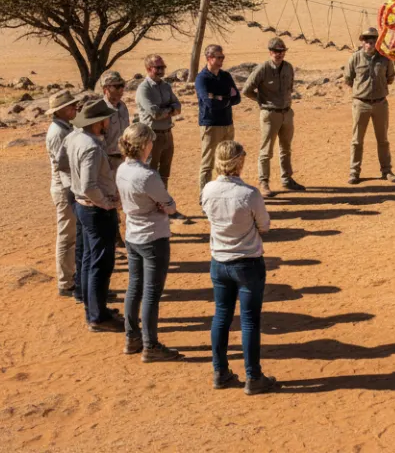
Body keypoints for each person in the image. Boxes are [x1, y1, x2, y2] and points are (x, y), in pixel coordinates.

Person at [201, 140, 277, 394]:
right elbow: (264, 226)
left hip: (219, 262)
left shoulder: (208, 189)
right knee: (249, 321)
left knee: (221, 316)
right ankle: (253, 377)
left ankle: (220, 372)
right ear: (239, 162)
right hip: (247, 263)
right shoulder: (249, 194)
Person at [115, 123, 183, 362]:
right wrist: (164, 206)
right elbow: (170, 205)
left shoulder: (122, 169)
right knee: (152, 294)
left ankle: (131, 337)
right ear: (144, 144)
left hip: (133, 234)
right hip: (153, 237)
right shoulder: (148, 175)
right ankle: (150, 345)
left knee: (134, 287)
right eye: (151, 141)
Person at [66, 98, 121, 332]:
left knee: (89, 261)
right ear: (99, 122)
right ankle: (97, 317)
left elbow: (62, 164)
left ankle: (94, 309)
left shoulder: (73, 138)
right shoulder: (91, 146)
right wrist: (105, 203)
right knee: (100, 263)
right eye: (107, 118)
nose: (109, 121)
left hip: (82, 206)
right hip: (95, 209)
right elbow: (89, 185)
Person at [242, 37, 301, 197]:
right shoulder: (262, 69)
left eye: (282, 51)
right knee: (266, 151)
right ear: (270, 52)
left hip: (286, 113)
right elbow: (247, 89)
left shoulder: (288, 67)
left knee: (286, 148)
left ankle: (287, 179)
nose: (279, 54)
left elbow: (290, 87)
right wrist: (261, 100)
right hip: (269, 114)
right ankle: (264, 182)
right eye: (276, 51)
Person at [344, 27, 395, 186]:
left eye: (373, 40)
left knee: (382, 139)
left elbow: (390, 78)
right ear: (362, 42)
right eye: (367, 40)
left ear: (378, 42)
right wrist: (362, 91)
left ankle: (386, 171)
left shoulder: (385, 59)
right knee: (357, 140)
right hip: (361, 104)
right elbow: (348, 79)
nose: (370, 43)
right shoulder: (355, 58)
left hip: (380, 103)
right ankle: (354, 172)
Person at [135, 54, 185, 220]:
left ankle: (165, 207)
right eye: (158, 68)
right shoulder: (144, 89)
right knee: (150, 174)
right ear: (148, 69)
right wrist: (169, 109)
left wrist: (167, 109)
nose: (162, 70)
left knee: (164, 173)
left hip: (167, 134)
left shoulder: (165, 86)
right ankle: (150, 209)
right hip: (151, 137)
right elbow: (155, 113)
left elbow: (178, 107)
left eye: (163, 67)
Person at [45, 90, 81, 300]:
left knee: (72, 235)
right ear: (60, 111)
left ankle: (71, 276)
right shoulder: (57, 132)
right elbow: (63, 166)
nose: (74, 108)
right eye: (71, 106)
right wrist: (73, 192)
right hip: (65, 189)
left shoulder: (65, 127)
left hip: (69, 187)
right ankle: (65, 281)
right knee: (66, 236)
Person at [195, 44, 242, 193]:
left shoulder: (226, 76)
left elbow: (237, 98)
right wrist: (226, 98)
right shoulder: (202, 78)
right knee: (208, 163)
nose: (222, 60)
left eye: (223, 57)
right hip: (210, 125)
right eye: (219, 57)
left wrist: (220, 98)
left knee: (228, 161)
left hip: (228, 124)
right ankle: (204, 196)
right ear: (209, 58)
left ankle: (225, 193)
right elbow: (208, 103)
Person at [100, 71, 130, 172]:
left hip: (124, 158)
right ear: (105, 89)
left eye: (122, 86)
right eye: (116, 87)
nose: (120, 90)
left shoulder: (123, 106)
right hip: (108, 160)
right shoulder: (101, 110)